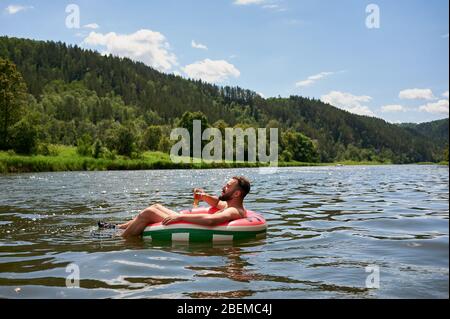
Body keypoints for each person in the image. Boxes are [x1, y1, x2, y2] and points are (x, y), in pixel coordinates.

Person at [98, 176, 251, 238]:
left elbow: (212, 221)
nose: (224, 187)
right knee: (156, 206)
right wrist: (204, 196)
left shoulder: (233, 210)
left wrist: (180, 216)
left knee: (149, 212)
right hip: (187, 220)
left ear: (236, 193)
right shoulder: (229, 203)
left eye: (228, 186)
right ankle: (117, 227)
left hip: (190, 224)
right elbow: (216, 203)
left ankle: (118, 238)